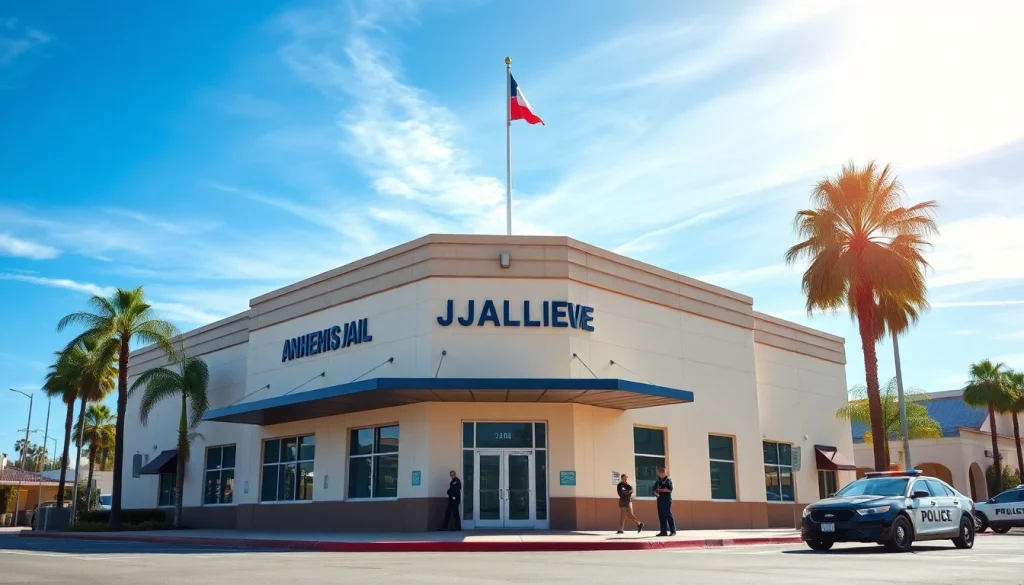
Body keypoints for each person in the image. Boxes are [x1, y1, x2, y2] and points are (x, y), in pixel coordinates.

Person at [652, 466, 676, 536]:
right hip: (660, 499)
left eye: (663, 472)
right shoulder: (658, 481)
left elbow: (670, 490)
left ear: (665, 473)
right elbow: (654, 489)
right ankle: (663, 531)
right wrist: (655, 492)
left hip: (666, 499)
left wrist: (661, 490)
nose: (661, 474)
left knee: (668, 514)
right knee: (661, 515)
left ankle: (673, 531)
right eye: (660, 472)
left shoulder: (668, 480)